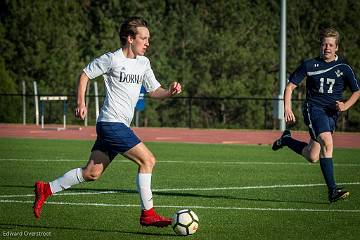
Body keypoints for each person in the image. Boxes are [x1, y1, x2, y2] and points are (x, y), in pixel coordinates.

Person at [33, 16, 182, 227]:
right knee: (148, 160)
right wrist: (81, 103)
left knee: (91, 173)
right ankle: (148, 213)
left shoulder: (144, 63)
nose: (148, 43)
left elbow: (154, 91)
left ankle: (46, 189)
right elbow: (85, 74)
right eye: (144, 38)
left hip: (116, 126)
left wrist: (169, 91)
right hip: (111, 124)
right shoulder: (112, 59)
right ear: (130, 38)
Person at [272, 27, 360, 203]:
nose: (327, 47)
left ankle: (286, 140)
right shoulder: (310, 65)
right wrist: (287, 108)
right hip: (314, 110)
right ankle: (332, 190)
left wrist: (345, 105)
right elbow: (290, 87)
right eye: (324, 44)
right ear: (320, 46)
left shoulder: (344, 68)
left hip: (331, 114)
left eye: (330, 45)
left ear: (336, 48)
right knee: (328, 143)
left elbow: (357, 91)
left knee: (312, 156)